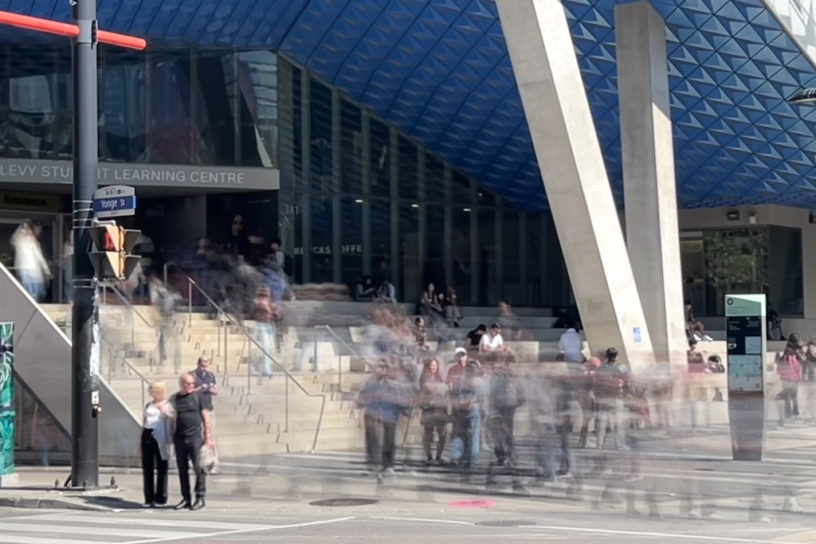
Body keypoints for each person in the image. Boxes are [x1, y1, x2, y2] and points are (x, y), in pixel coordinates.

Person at [171, 373, 214, 510]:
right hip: (179, 438)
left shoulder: (198, 397)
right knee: (182, 469)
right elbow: (171, 416)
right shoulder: (176, 398)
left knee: (199, 468)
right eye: (188, 384)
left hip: (195, 438)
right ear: (181, 384)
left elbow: (206, 418)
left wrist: (208, 437)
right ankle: (186, 498)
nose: (191, 386)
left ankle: (200, 497)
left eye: (192, 383)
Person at [141, 381, 173, 507]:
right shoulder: (149, 404)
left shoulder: (167, 404)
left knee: (162, 466)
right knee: (147, 467)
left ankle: (161, 496)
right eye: (151, 390)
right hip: (148, 434)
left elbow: (171, 420)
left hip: (161, 435)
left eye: (155, 390)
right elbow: (144, 422)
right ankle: (149, 497)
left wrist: (164, 412)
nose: (152, 393)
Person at [11, 221, 51, 301]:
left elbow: (40, 258)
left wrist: (46, 270)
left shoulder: (34, 243)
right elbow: (14, 239)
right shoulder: (20, 240)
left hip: (34, 272)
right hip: (26, 271)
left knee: (39, 293)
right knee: (30, 294)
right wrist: (23, 226)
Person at [419, 358, 448, 465]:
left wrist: (440, 388)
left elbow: (445, 390)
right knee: (428, 432)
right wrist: (440, 388)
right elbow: (430, 388)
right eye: (432, 365)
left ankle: (439, 456)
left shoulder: (439, 377)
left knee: (442, 433)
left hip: (440, 407)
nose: (434, 367)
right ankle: (429, 457)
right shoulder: (424, 377)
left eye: (435, 365)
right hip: (429, 408)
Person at [192, 356, 218, 425]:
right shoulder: (192, 375)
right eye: (202, 366)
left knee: (210, 430)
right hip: (196, 409)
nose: (204, 369)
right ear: (198, 364)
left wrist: (211, 390)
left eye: (206, 366)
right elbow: (188, 391)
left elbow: (216, 391)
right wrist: (199, 389)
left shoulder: (210, 375)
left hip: (208, 408)